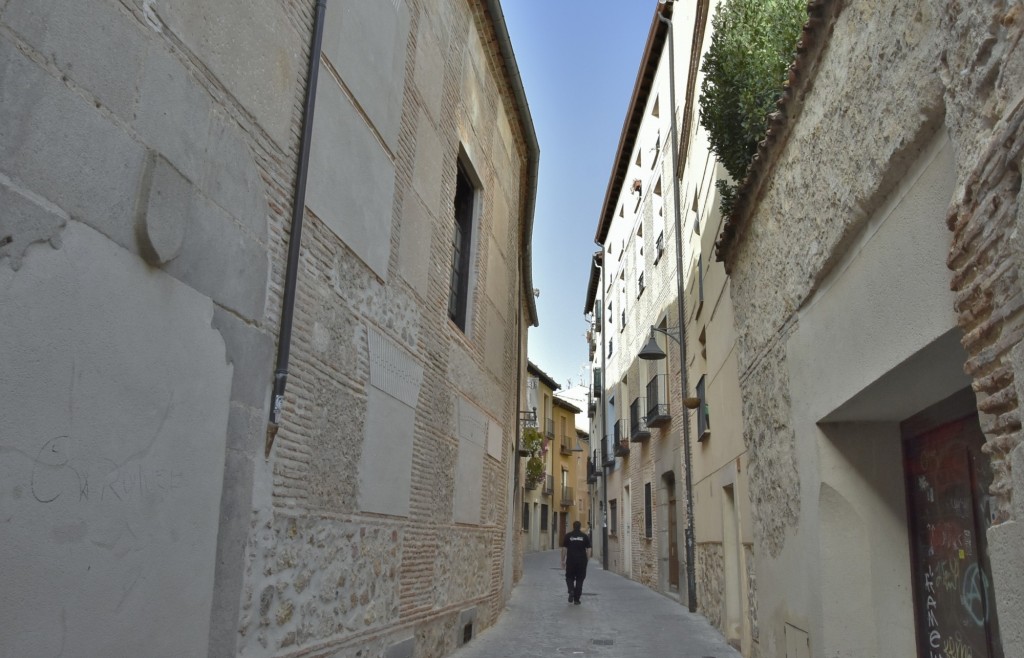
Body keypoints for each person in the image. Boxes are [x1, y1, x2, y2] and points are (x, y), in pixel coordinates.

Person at [561, 520, 592, 604]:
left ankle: (571, 590)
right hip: (582, 561)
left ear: (573, 526)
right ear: (580, 527)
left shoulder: (568, 536)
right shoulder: (584, 536)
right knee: (580, 579)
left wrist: (562, 560)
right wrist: (587, 560)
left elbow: (564, 549)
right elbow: (589, 549)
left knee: (569, 577)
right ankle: (577, 600)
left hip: (571, 561)